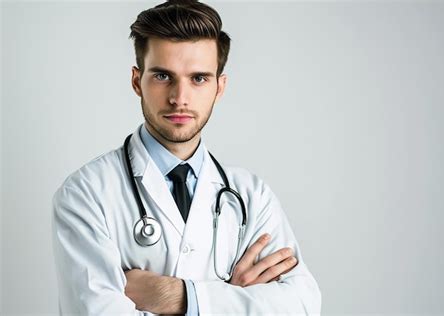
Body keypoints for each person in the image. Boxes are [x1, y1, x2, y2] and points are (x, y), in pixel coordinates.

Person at [51, 0, 322, 314]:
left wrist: (178, 296)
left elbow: (303, 305)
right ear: (137, 81)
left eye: (199, 78)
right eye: (163, 76)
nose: (180, 98)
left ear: (219, 87)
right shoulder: (86, 194)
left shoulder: (252, 196)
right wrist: (233, 299)